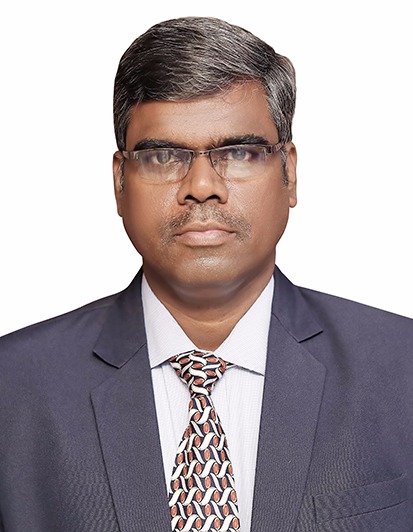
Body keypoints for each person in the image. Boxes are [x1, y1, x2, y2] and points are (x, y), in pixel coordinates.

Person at [0, 15, 412, 532]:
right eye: (162, 156)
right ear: (119, 181)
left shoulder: (402, 368)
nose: (201, 186)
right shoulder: (13, 386)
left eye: (238, 152)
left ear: (289, 173)